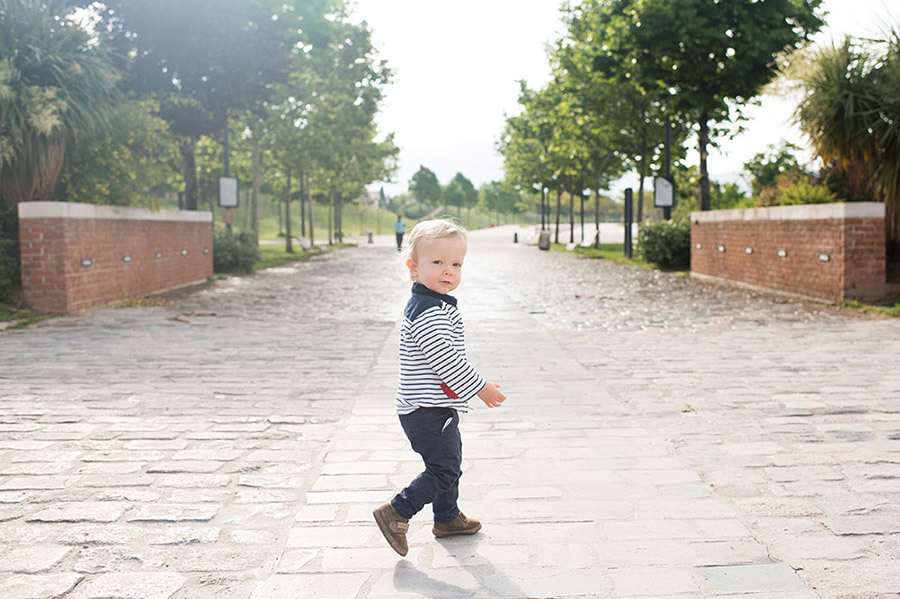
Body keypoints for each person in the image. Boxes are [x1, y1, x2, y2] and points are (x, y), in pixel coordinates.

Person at [373, 219, 507, 557]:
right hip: (426, 410)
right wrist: (481, 387)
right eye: (438, 263)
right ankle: (398, 511)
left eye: (456, 264)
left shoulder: (434, 303)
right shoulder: (429, 312)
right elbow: (445, 361)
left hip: (433, 406)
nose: (448, 271)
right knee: (443, 468)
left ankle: (447, 518)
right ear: (413, 268)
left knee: (450, 460)